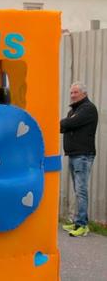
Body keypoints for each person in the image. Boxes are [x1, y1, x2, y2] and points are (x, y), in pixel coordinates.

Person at [60, 82, 99, 237]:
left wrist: (66, 123)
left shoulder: (88, 109)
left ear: (84, 93)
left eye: (75, 92)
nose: (73, 95)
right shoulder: (74, 110)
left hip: (83, 155)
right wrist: (66, 123)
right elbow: (64, 126)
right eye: (71, 92)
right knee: (78, 190)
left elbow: (69, 123)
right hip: (74, 154)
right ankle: (78, 222)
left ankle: (82, 225)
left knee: (81, 191)